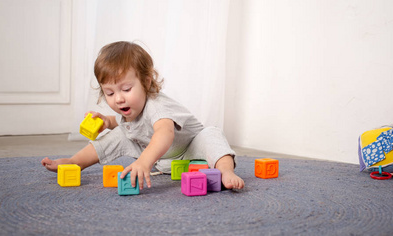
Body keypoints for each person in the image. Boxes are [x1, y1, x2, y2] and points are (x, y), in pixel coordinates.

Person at [41, 41, 244, 190]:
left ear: (146, 83)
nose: (118, 99)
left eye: (126, 89)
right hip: (163, 160)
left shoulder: (157, 107)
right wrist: (106, 122)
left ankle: (226, 171)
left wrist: (144, 162)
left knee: (212, 134)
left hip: (191, 150)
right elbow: (123, 123)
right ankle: (75, 162)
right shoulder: (130, 108)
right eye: (110, 93)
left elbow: (165, 134)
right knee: (117, 134)